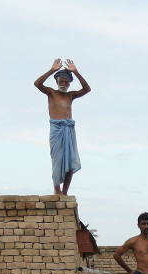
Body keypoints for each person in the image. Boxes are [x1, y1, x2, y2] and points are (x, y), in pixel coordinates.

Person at [34, 59, 90, 195]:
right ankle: (57, 189)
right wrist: (52, 70)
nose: (63, 84)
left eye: (66, 82)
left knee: (71, 161)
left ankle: (64, 191)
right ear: (57, 82)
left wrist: (75, 72)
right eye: (61, 81)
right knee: (58, 159)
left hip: (68, 129)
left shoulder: (70, 95)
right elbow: (37, 83)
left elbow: (87, 89)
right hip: (57, 129)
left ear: (69, 83)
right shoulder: (51, 93)